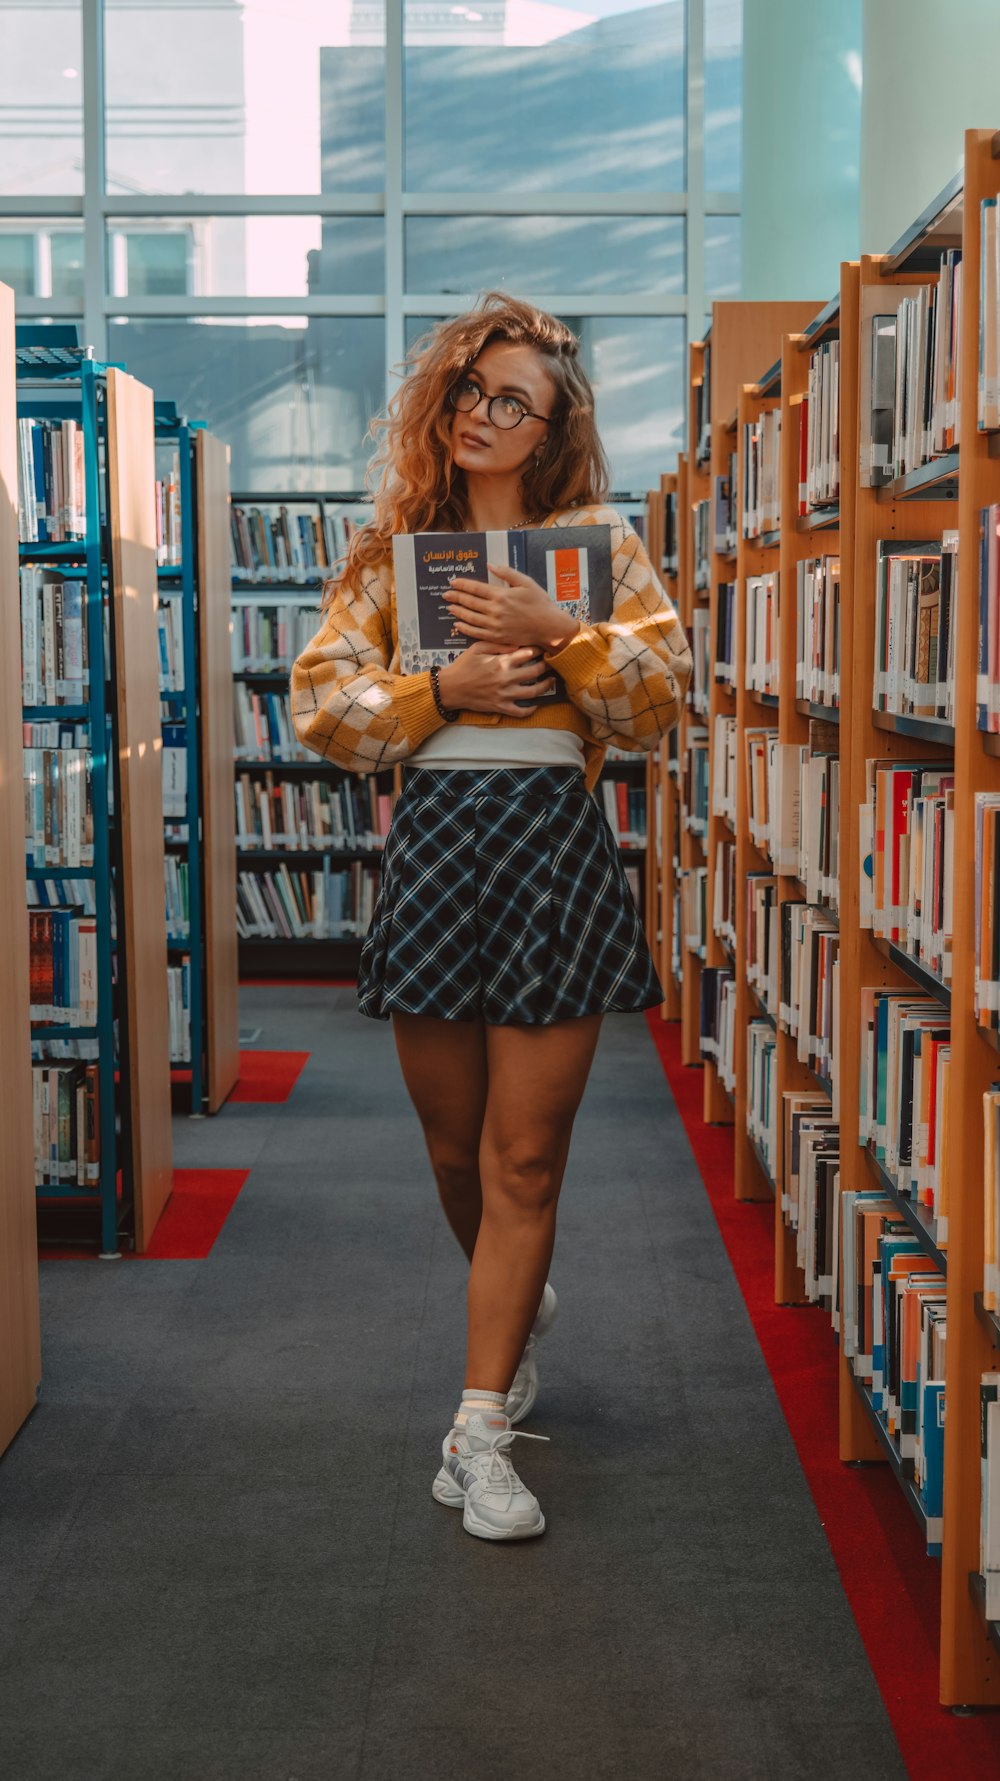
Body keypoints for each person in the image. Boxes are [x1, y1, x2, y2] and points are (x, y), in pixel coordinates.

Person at [290, 293, 691, 1542]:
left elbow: (661, 702)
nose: (483, 413)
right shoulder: (385, 555)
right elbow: (324, 711)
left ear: (554, 424)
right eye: (471, 390)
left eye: (513, 399)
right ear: (442, 401)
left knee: (526, 1156)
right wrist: (439, 685)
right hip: (441, 845)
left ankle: (477, 1429)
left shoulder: (601, 551)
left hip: (550, 844)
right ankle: (513, 1307)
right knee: (458, 1151)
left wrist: (561, 633)